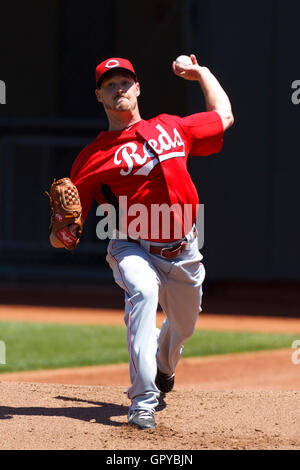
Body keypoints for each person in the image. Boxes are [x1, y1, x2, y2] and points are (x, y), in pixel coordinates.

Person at [68, 54, 234, 429]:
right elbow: (66, 228)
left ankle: (163, 365)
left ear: (138, 88)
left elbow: (223, 116)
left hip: (185, 250)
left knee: (184, 326)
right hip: (131, 245)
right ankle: (142, 400)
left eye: (125, 81)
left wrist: (202, 73)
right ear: (99, 96)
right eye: (109, 85)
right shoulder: (93, 156)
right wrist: (61, 232)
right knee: (141, 294)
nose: (119, 88)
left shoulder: (172, 127)